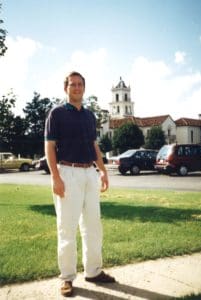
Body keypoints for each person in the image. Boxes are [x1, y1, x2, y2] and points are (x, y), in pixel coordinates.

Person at [44, 71, 115, 297]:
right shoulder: (56, 114)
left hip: (89, 175)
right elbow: (49, 148)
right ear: (66, 88)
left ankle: (93, 271)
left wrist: (102, 172)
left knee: (93, 226)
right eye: (72, 84)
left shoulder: (89, 116)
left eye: (80, 84)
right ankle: (66, 278)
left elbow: (94, 146)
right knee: (67, 228)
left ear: (84, 88)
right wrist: (55, 177)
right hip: (68, 173)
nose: (76, 87)